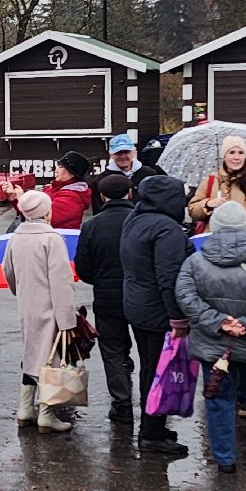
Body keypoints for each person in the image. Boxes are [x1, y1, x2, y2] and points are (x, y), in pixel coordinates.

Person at [175, 201, 246, 474]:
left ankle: (225, 459)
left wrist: (219, 322)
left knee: (219, 401)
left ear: (214, 226)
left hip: (214, 347)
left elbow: (186, 297)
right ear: (244, 227)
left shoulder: (195, 262)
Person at [119, 175, 194, 457]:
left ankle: (154, 427)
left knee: (150, 367)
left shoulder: (135, 219)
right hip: (157, 311)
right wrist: (178, 318)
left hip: (137, 305)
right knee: (157, 371)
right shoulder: (166, 229)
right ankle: (152, 433)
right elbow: (168, 277)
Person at [2, 189, 79, 434]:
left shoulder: (16, 237)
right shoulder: (52, 239)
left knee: (32, 354)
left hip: (27, 305)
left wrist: (20, 291)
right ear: (46, 212)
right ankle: (47, 413)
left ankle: (25, 408)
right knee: (51, 360)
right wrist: (67, 319)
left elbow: (7, 270)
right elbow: (61, 281)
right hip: (51, 307)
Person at [73, 173, 137, 424]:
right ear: (129, 193)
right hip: (141, 295)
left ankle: (122, 404)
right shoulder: (141, 221)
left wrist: (100, 280)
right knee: (147, 348)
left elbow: (83, 267)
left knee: (112, 350)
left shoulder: (92, 226)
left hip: (106, 297)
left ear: (102, 196)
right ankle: (153, 405)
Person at [188, 135, 246, 223]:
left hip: (244, 231)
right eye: (232, 152)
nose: (236, 157)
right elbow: (193, 211)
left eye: (241, 153)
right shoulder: (211, 181)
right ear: (224, 156)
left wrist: (244, 223)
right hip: (214, 231)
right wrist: (208, 204)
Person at [3, 151, 91, 231]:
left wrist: (22, 199)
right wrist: (14, 197)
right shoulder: (53, 188)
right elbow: (28, 214)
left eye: (60, 167)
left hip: (56, 240)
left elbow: (42, 218)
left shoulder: (72, 197)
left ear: (72, 174)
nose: (56, 171)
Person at [93, 134, 142, 214]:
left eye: (126, 152)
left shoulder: (148, 174)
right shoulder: (100, 181)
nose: (123, 156)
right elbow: (98, 210)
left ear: (133, 152)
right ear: (110, 155)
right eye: (118, 153)